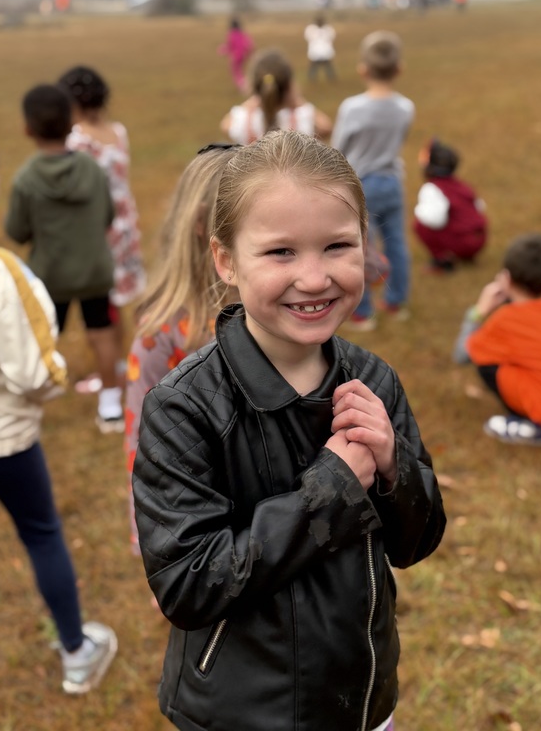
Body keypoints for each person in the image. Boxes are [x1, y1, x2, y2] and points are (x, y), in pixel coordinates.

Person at [133, 130, 446, 731]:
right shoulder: (183, 408)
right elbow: (187, 585)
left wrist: (392, 466)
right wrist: (332, 487)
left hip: (359, 697)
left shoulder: (374, 380)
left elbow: (416, 541)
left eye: (336, 246)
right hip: (243, 711)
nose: (314, 277)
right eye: (281, 252)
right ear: (226, 260)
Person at [0, 115, 117, 699]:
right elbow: (35, 370)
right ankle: (77, 654)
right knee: (41, 532)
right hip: (3, 440)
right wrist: (52, 387)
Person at [125, 143, 240, 555]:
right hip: (201, 519)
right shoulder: (163, 331)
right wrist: (154, 539)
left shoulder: (275, 314)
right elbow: (142, 441)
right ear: (201, 224)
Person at [4, 84, 124, 433]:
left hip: (50, 276)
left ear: (27, 128)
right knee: (102, 334)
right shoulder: (91, 167)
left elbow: (17, 230)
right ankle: (111, 409)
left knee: (42, 337)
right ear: (70, 121)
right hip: (94, 271)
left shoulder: (26, 178)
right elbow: (108, 215)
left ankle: (34, 405)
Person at [58, 65, 146, 394]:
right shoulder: (117, 131)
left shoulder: (77, 140)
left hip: (99, 232)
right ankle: (119, 364)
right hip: (126, 227)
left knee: (100, 314)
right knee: (116, 303)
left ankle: (108, 374)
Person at [453, 232, 541, 444]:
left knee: (486, 361)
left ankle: (534, 426)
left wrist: (479, 311)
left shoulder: (506, 320)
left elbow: (461, 354)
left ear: (507, 278)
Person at [332, 30, 414, 328]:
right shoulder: (406, 107)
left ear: (362, 69)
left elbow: (338, 149)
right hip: (392, 183)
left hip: (360, 185)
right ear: (399, 68)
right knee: (397, 244)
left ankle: (363, 312)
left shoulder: (351, 108)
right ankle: (397, 303)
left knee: (358, 249)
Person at [220, 48, 333, 144]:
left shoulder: (244, 119)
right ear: (289, 85)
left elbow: (225, 125)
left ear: (254, 85)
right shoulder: (302, 117)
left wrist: (255, 99)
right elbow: (326, 127)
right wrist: (297, 100)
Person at [413, 138, 488, 272]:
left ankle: (442, 261)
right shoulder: (461, 185)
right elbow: (479, 207)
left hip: (462, 243)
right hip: (480, 239)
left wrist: (419, 211)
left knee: (420, 225)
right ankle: (467, 257)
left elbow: (436, 220)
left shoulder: (432, 188)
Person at [218, 17, 254, 92]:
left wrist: (222, 50)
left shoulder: (231, 34)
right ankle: (244, 85)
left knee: (236, 72)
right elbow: (249, 45)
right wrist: (249, 54)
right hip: (243, 55)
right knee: (240, 71)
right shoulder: (243, 33)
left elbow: (230, 46)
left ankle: (243, 87)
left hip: (236, 56)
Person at [304, 14, 336, 82]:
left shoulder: (311, 29)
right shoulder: (327, 29)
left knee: (324, 67)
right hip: (320, 52)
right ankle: (313, 78)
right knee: (322, 67)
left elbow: (307, 37)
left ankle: (330, 78)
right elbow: (332, 37)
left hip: (320, 52)